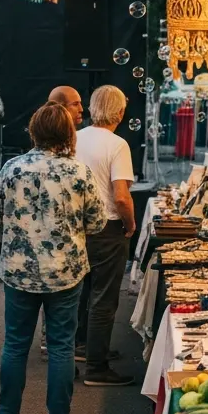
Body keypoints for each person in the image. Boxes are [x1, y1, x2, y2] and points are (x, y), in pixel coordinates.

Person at [0, 102, 107, 414]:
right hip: (65, 272)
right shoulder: (79, 172)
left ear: (33, 131)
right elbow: (97, 222)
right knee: (61, 346)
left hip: (18, 271)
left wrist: (15, 238)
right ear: (68, 133)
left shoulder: (12, 169)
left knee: (15, 345)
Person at [74, 86, 136, 387]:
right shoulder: (118, 144)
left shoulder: (73, 137)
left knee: (81, 293)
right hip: (107, 228)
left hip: (75, 227)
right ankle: (97, 369)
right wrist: (131, 224)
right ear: (120, 112)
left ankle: (84, 348)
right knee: (104, 298)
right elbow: (121, 196)